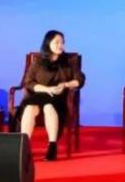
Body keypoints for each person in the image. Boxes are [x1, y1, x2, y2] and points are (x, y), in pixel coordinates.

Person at [16, 30, 86, 161]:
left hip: (58, 98)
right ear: (48, 43)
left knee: (49, 107)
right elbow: (28, 82)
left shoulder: (69, 61)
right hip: (38, 95)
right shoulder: (38, 62)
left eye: (62, 42)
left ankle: (52, 146)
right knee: (30, 108)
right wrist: (46, 89)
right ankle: (24, 147)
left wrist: (65, 84)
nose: (61, 45)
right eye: (57, 42)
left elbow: (80, 80)